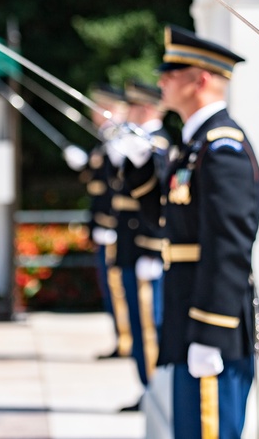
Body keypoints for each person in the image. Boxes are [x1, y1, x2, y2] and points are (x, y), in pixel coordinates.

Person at [118, 26, 259, 439]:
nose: (161, 80)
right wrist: (141, 167)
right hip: (189, 315)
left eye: (172, 72)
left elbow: (229, 246)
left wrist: (212, 330)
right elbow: (163, 221)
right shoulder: (193, 145)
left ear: (200, 79)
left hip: (208, 324)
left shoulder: (222, 147)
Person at [103, 80, 172, 409]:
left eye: (132, 107)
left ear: (145, 108)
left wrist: (152, 249)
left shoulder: (159, 142)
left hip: (147, 249)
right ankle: (147, 388)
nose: (127, 112)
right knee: (136, 320)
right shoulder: (138, 141)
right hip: (129, 244)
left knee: (151, 324)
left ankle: (156, 388)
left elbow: (162, 204)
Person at [77, 83, 130, 358]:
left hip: (114, 226)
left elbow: (117, 187)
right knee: (111, 290)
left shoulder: (119, 137)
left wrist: (109, 223)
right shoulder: (107, 137)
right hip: (104, 224)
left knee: (118, 289)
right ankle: (122, 338)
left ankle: (127, 340)